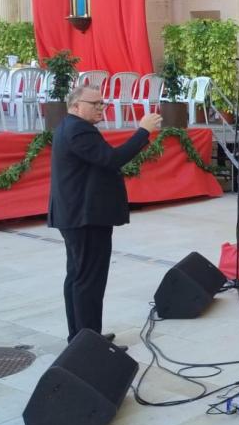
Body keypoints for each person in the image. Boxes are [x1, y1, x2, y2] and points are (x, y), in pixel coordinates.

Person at [49, 85, 162, 345]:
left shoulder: (73, 126)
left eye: (103, 103)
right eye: (95, 103)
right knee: (88, 280)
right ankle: (88, 344)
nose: (101, 107)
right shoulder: (77, 129)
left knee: (78, 277)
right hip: (84, 217)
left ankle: (81, 337)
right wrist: (144, 130)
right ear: (76, 105)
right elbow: (112, 159)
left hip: (80, 215)